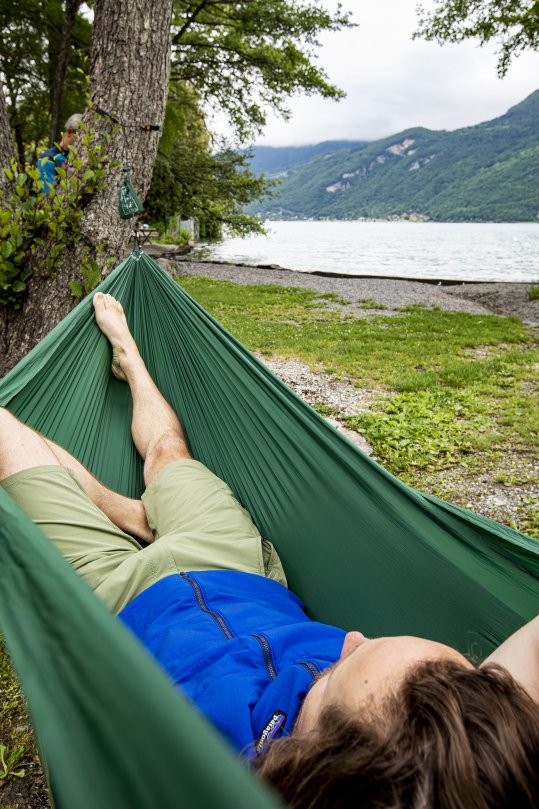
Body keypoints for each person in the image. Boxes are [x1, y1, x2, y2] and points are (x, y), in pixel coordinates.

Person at [0, 292, 538, 808]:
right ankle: (132, 370)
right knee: (168, 454)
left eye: (329, 680)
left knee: (15, 449)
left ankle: (129, 514)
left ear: (305, 763)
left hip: (110, 606)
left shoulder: (221, 778)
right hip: (234, 565)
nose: (348, 637)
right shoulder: (461, 750)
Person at [36, 113, 83, 193]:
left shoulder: (77, 158)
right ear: (69, 132)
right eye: (79, 137)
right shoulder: (47, 159)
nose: (81, 142)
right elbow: (48, 196)